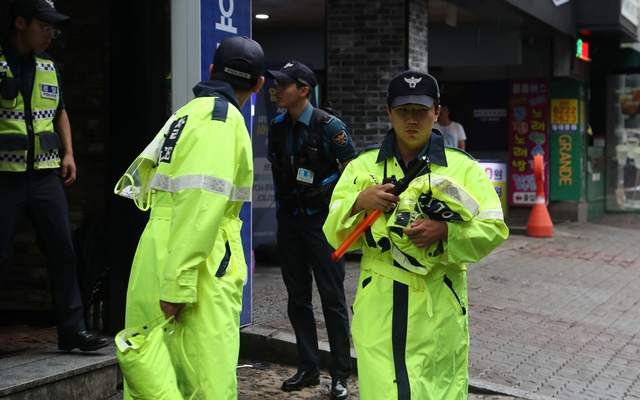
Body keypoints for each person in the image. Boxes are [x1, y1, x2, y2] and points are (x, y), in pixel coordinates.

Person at [322, 70, 509, 400]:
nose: (412, 120)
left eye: (420, 111)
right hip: (379, 298)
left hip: (439, 298)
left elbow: (493, 228)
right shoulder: (362, 166)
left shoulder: (462, 167)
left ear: (437, 111)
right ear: (388, 111)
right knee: (382, 388)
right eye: (403, 110)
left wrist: (446, 231)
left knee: (438, 388)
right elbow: (332, 230)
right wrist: (356, 203)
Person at [114, 35, 265, 399]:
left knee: (154, 367)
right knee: (205, 376)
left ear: (211, 71)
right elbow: (202, 202)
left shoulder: (186, 113)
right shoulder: (221, 120)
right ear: (259, 85)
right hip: (200, 260)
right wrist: (179, 283)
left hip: (159, 246)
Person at [0, 0, 109, 352]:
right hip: (5, 175)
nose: (50, 34)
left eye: (53, 28)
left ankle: (72, 331)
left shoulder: (48, 66)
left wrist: (69, 153)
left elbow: (59, 110)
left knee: (63, 252)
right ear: (20, 23)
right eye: (43, 26)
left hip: (45, 174)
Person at [266, 60, 355, 400]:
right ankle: (308, 367)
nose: (277, 89)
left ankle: (341, 374)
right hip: (289, 221)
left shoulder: (331, 127)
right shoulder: (277, 126)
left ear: (303, 90)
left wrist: (341, 217)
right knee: (297, 296)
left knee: (332, 299)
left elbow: (353, 176)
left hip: (323, 223)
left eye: (284, 84)